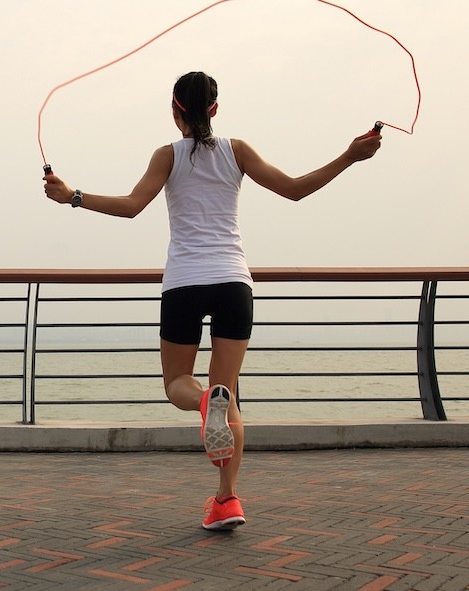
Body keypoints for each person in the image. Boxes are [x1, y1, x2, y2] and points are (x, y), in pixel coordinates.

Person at [43, 70, 382, 531]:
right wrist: (351, 155)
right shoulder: (236, 151)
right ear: (215, 110)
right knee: (230, 395)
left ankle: (205, 405)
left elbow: (131, 206)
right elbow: (296, 189)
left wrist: (73, 197)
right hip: (233, 284)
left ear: (175, 111)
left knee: (179, 383)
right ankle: (228, 500)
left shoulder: (167, 156)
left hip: (185, 282)